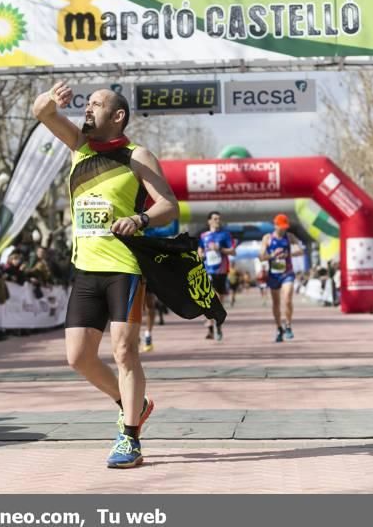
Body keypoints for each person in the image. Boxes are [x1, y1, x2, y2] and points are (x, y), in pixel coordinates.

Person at [33, 80, 178, 468]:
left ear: (117, 117)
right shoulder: (79, 145)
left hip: (124, 268)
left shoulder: (136, 155)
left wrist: (139, 218)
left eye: (97, 105)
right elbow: (41, 113)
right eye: (87, 103)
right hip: (86, 269)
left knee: (124, 351)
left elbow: (169, 205)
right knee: (78, 357)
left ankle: (129, 437)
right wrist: (49, 100)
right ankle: (133, 404)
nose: (88, 109)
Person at [260, 214, 304, 342]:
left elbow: (300, 251)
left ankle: (288, 325)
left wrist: (288, 253)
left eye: (285, 227)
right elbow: (261, 256)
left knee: (288, 299)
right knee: (276, 304)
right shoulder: (267, 238)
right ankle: (279, 328)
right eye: (281, 227)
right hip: (274, 274)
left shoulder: (289, 237)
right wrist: (272, 255)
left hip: (287, 273)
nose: (283, 229)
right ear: (275, 225)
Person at [198, 211, 235, 341]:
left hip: (221, 270)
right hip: (208, 270)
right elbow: (200, 250)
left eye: (219, 219)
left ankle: (217, 323)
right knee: (209, 296)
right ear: (209, 221)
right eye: (215, 219)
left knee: (219, 298)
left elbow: (232, 251)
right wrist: (201, 254)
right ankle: (210, 324)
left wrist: (219, 248)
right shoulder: (203, 236)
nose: (217, 221)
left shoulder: (225, 235)